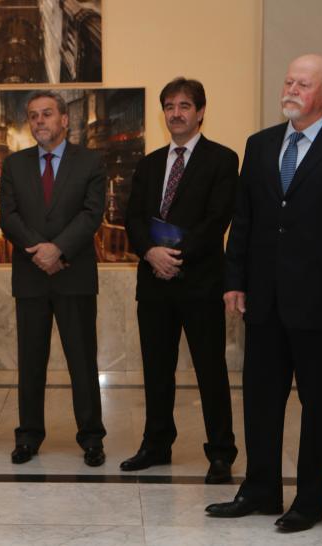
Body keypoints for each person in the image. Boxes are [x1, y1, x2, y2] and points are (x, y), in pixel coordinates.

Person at [206, 54, 322, 532]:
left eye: (303, 84)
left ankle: (308, 501)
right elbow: (243, 221)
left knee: (318, 404)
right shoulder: (260, 145)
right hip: (263, 301)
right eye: (289, 81)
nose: (291, 90)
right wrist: (234, 280)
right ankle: (261, 490)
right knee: (260, 400)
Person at [123, 78, 238, 483]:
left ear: (200, 112)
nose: (176, 113)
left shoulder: (222, 160)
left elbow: (217, 219)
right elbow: (132, 217)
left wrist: (175, 256)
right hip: (154, 283)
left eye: (185, 105)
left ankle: (221, 452)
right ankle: (156, 444)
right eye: (169, 106)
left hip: (200, 283)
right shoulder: (149, 163)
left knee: (210, 370)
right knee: (156, 370)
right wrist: (150, 253)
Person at [0, 90, 107, 467]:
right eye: (33, 115)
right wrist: (40, 251)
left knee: (82, 360)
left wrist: (58, 249)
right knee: (31, 362)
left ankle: (91, 437)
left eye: (47, 114)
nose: (39, 121)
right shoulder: (15, 165)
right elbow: (8, 216)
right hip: (31, 276)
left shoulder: (90, 161)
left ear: (64, 119)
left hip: (74, 275)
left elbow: (92, 214)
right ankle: (28, 436)